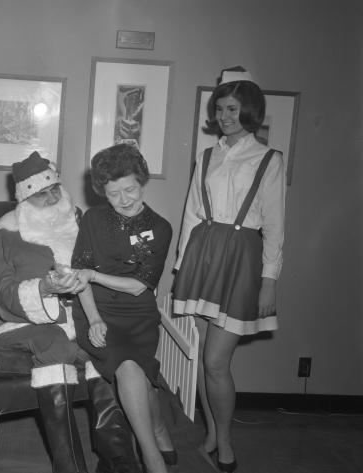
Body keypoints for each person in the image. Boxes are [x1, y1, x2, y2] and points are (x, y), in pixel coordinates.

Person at [0, 151, 140, 473]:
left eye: (55, 188)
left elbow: (109, 268)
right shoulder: (3, 236)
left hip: (82, 317)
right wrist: (42, 289)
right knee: (55, 342)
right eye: (43, 194)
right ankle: (69, 467)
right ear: (25, 199)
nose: (53, 198)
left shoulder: (81, 221)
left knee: (102, 346)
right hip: (19, 322)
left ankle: (119, 462)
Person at [173, 66, 286, 473]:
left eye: (233, 108)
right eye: (220, 108)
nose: (224, 116)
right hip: (203, 257)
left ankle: (224, 441)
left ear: (250, 110)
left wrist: (269, 282)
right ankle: (209, 433)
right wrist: (182, 263)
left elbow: (274, 227)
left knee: (217, 362)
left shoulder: (268, 158)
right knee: (205, 357)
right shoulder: (207, 155)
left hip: (241, 261)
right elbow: (191, 212)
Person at [72, 143, 175, 473]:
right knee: (130, 368)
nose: (124, 199)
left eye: (129, 189)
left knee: (140, 375)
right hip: (96, 310)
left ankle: (158, 429)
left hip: (138, 315)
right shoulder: (92, 219)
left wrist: (93, 274)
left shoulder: (160, 227)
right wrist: (94, 320)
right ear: (103, 192)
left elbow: (139, 285)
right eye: (114, 193)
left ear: (142, 181)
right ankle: (152, 455)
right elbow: (80, 278)